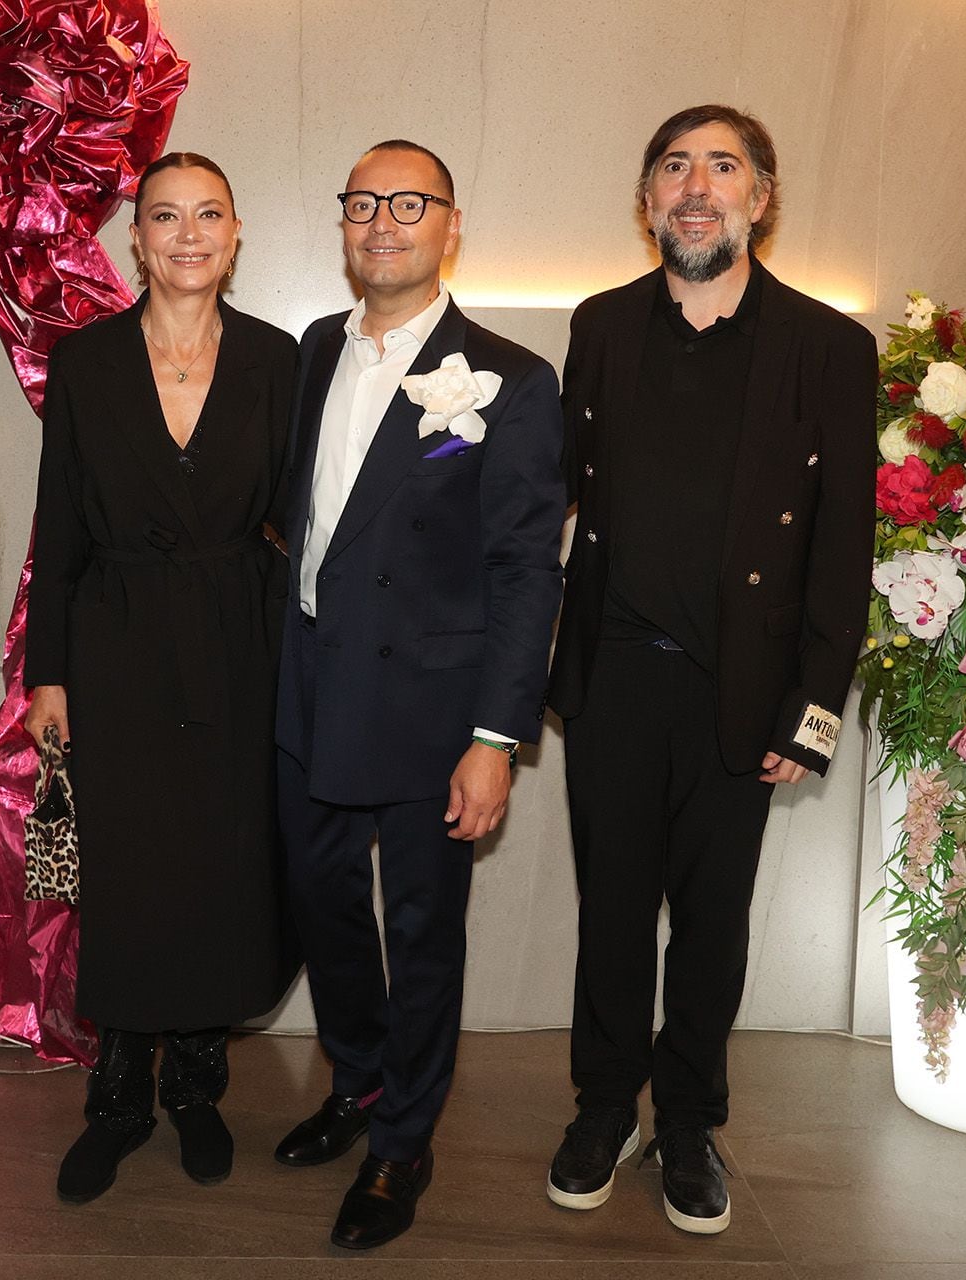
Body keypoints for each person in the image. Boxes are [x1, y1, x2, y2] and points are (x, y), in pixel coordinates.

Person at [544, 105, 876, 1235]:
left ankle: (688, 1118)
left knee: (715, 920)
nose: (698, 186)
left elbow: (844, 552)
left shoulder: (830, 348)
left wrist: (817, 712)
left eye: (723, 167)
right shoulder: (597, 326)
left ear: (761, 198)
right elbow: (561, 502)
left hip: (745, 690)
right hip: (613, 679)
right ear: (647, 202)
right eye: (675, 167)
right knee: (612, 913)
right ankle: (604, 1107)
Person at [272, 140, 567, 1249]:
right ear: (343, 224)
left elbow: (527, 570)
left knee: (425, 927)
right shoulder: (310, 351)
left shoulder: (510, 377)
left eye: (407, 203)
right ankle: (357, 1079)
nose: (381, 221)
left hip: (434, 705)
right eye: (361, 202)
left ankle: (403, 1141)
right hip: (306, 683)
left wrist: (497, 734)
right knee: (319, 897)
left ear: (450, 224)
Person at [22, 152, 298, 1204]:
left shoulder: (279, 360)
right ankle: (118, 1100)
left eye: (208, 215)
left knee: (223, 869)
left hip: (241, 642)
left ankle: (194, 1086)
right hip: (117, 644)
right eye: (165, 217)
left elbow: (309, 517)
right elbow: (57, 525)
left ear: (237, 235)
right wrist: (50, 672)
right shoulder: (86, 362)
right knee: (131, 872)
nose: (187, 234)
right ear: (133, 239)